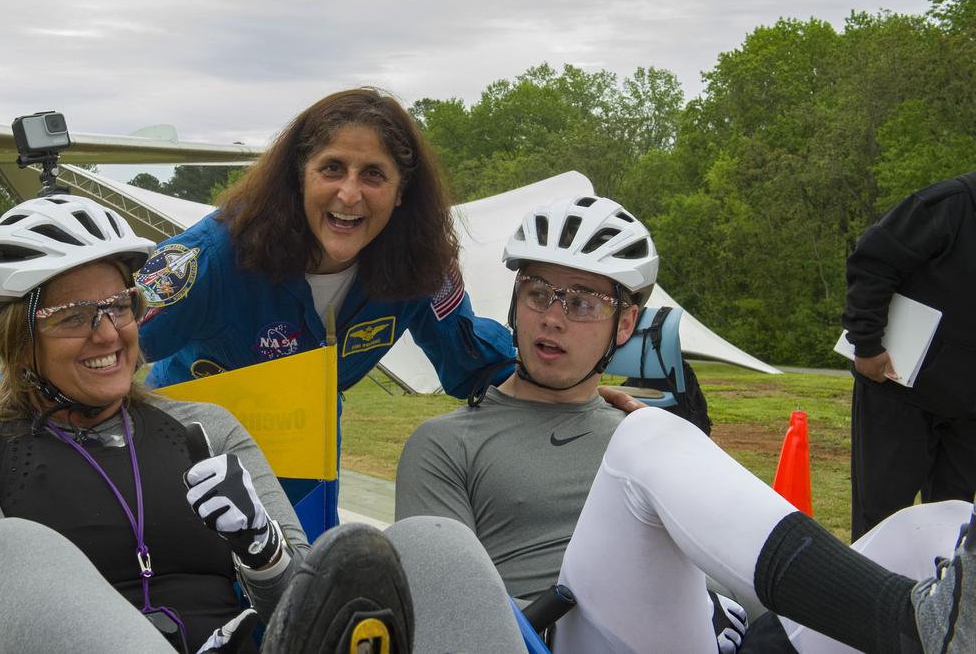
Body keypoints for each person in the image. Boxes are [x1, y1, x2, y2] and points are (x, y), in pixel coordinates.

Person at [0, 88, 569, 492]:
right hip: (186, 466)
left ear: (402, 193)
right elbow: (99, 335)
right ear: (297, 175)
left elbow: (471, 360)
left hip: (306, 472)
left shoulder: (421, 268)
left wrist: (572, 390)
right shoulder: (210, 258)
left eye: (374, 174)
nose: (349, 193)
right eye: (331, 167)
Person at [396, 194, 976, 653]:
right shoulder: (447, 442)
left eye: (584, 302)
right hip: (551, 636)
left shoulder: (648, 431)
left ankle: (916, 624)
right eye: (538, 292)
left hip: (714, 634)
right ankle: (901, 621)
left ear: (625, 325)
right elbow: (444, 608)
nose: (553, 317)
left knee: (941, 524)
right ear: (514, 301)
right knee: (648, 439)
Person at [0, 195, 415, 654]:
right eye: (74, 316)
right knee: (10, 551)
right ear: (16, 338)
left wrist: (264, 552)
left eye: (119, 306)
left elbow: (306, 614)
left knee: (432, 548)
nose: (109, 335)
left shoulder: (206, 429)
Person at [842, 169, 976, 539]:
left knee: (953, 528)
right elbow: (872, 262)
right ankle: (866, 599)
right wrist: (867, 343)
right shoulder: (948, 205)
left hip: (967, 413)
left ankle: (942, 599)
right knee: (882, 520)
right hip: (897, 389)